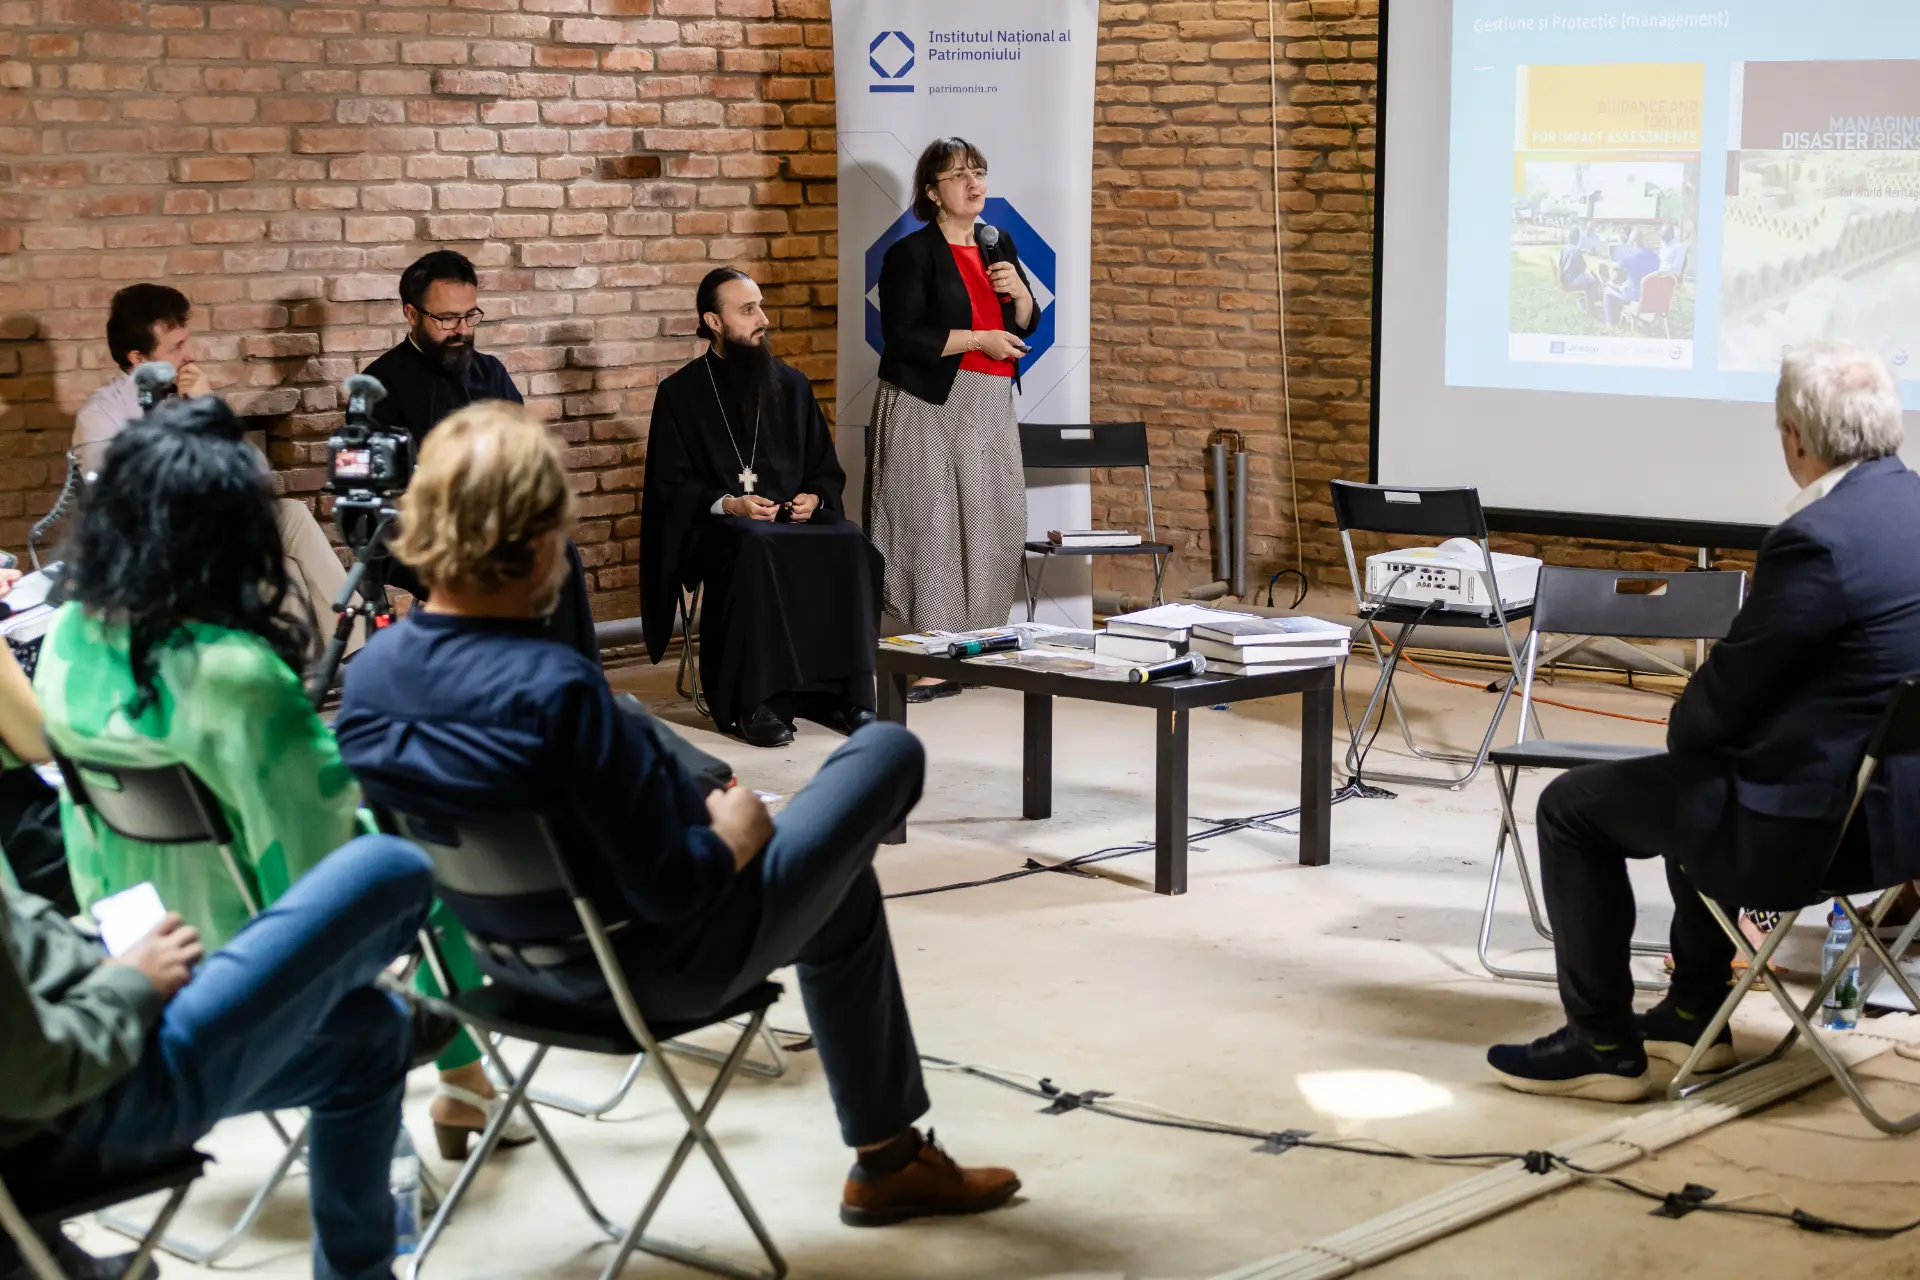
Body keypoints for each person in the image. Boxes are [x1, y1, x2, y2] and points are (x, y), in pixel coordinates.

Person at [336, 401, 1024, 1226]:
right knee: (884, 754)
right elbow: (671, 889)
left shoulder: (372, 677)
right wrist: (733, 837)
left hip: (504, 968)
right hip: (646, 972)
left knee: (837, 885)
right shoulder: (556, 692)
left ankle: (890, 1160)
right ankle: (888, 1162)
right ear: (540, 538)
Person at [35, 397, 528, 1156]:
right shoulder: (234, 675)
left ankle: (462, 1089)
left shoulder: (70, 634)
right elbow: (318, 857)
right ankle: (465, 1084)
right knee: (430, 857)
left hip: (130, 941)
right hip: (244, 962)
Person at [1488, 342, 1920, 1102]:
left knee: (1572, 807)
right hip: (1902, 825)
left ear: (1795, 437)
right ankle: (1694, 1014)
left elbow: (1717, 704)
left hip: (1811, 838)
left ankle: (1602, 1044)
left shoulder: (1817, 541)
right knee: (1696, 783)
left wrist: (1691, 718)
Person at [0, 832, 449, 1280]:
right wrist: (128, 984)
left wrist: (89, 964)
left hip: (72, 1044)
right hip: (80, 1103)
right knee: (391, 868)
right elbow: (36, 1076)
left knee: (370, 1034)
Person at [642, 268, 883, 748]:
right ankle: (755, 700)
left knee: (850, 540)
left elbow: (823, 469)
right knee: (752, 544)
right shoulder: (681, 394)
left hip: (791, 521)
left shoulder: (790, 386)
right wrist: (730, 504)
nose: (764, 320)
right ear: (714, 322)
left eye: (761, 307)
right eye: (748, 310)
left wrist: (813, 497)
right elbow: (670, 487)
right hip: (721, 528)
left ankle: (843, 694)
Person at [69, 283, 351, 652]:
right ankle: (305, 667)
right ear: (138, 358)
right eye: (176, 348)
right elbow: (121, 505)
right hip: (162, 546)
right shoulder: (100, 417)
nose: (190, 356)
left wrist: (210, 411)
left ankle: (358, 650)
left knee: (292, 515)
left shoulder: (190, 397)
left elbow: (255, 475)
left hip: (216, 527)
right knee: (279, 570)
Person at [361, 250, 599, 663]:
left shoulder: (490, 373)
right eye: (447, 319)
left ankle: (569, 685)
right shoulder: (380, 385)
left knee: (557, 551)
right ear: (411, 314)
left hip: (497, 521)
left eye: (470, 316)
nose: (462, 330)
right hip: (419, 531)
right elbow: (382, 493)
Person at [866, 137, 1037, 703]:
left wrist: (1019, 297)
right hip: (929, 401)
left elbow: (1026, 321)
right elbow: (902, 337)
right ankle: (936, 656)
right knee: (932, 524)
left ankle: (979, 645)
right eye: (959, 175)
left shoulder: (997, 242)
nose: (974, 183)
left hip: (989, 399)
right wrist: (979, 338)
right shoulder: (910, 254)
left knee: (992, 520)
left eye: (979, 171)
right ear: (933, 192)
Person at [1604, 230, 1663, 327]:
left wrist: (1612, 263)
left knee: (1608, 290)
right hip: (1650, 295)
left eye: (1630, 244)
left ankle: (1610, 323)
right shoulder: (1655, 256)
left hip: (1633, 296)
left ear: (1634, 243)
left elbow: (1616, 267)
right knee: (1625, 284)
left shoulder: (1629, 257)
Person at [1556, 228, 1601, 310]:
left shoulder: (1564, 248)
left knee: (1586, 278)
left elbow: (1560, 264)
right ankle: (1591, 305)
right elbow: (1583, 267)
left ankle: (1584, 301)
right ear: (1577, 237)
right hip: (1571, 280)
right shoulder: (1576, 250)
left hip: (1563, 279)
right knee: (1592, 281)